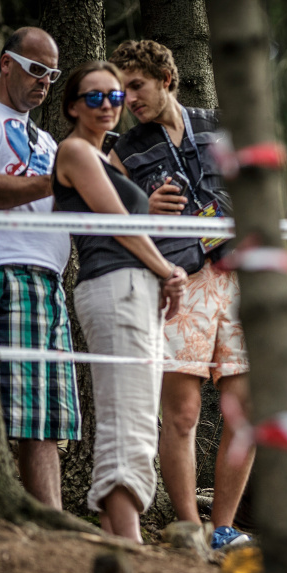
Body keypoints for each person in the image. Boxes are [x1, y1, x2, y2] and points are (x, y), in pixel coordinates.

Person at [108, 40, 252, 551]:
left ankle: (224, 528)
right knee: (184, 413)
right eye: (121, 91)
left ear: (166, 80)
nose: (128, 100)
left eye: (136, 86)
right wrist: (143, 207)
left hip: (237, 277)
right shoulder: (122, 150)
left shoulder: (219, 126)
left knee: (244, 407)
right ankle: (190, 528)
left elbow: (257, 189)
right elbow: (109, 220)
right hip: (176, 281)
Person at [52, 61, 190, 542]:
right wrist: (167, 270)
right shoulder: (75, 151)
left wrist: (161, 275)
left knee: (137, 416)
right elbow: (119, 225)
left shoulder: (105, 158)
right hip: (115, 286)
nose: (108, 105)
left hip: (133, 287)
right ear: (73, 106)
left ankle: (117, 533)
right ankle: (128, 536)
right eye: (94, 96)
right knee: (127, 417)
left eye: (114, 96)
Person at [0, 27, 80, 509]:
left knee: (47, 420)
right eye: (35, 70)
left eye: (52, 75)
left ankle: (50, 521)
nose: (44, 82)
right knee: (5, 413)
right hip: (6, 268)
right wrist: (55, 182)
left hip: (51, 280)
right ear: (6, 63)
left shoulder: (47, 139)